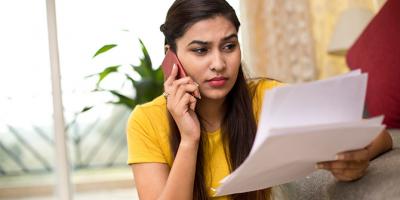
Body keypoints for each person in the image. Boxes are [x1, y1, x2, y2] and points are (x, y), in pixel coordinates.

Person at [126, 0, 393, 199]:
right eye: (200, 50)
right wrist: (189, 139)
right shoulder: (146, 121)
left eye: (229, 46)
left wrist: (359, 157)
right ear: (170, 56)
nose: (219, 63)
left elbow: (380, 135)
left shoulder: (265, 98)